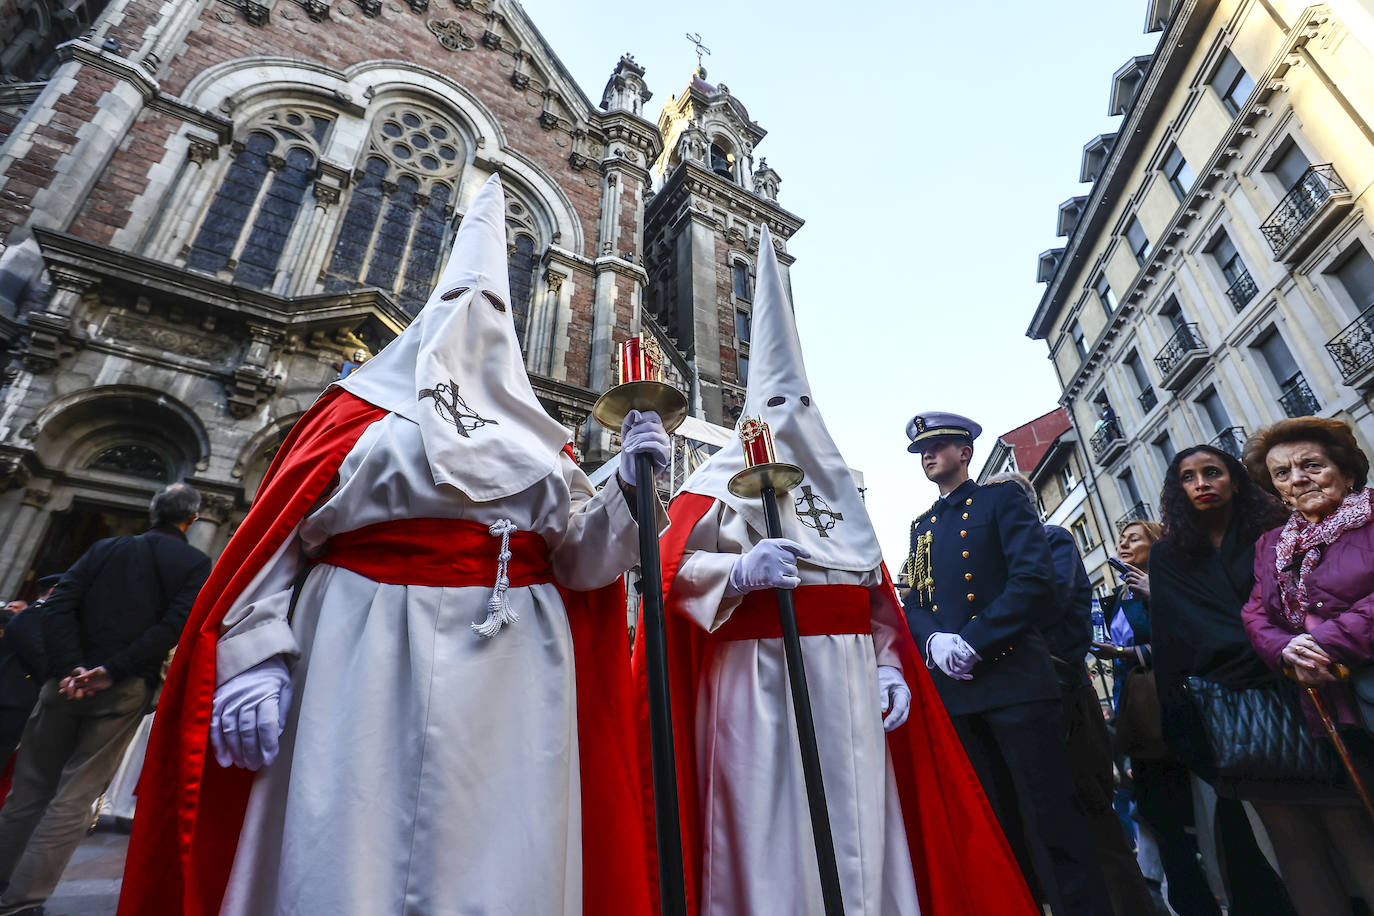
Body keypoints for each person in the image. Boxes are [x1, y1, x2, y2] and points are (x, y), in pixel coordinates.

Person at [118, 175, 666, 916]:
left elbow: (584, 562)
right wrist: (255, 661)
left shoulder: (544, 449)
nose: (478, 320)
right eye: (460, 302)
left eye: (498, 307)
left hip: (517, 668)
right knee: (345, 840)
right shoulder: (357, 413)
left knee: (504, 849)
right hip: (357, 649)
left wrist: (631, 486)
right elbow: (279, 547)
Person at [637, 226, 1035, 916]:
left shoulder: (840, 490)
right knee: (765, 816)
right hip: (755, 675)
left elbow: (875, 596)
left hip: (850, 679)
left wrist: (888, 665)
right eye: (776, 406)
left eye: (803, 405)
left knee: (860, 819)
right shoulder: (711, 478)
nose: (791, 420)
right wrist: (735, 576)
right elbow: (665, 569)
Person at [904, 415, 1111, 916]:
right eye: (922, 450)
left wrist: (974, 640)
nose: (928, 456)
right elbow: (913, 598)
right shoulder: (922, 526)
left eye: (938, 446)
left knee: (1051, 820)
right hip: (959, 692)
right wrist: (932, 641)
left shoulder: (1001, 501)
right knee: (993, 820)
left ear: (964, 452)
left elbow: (1033, 581)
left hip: (1015, 680)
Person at [0, 483, 210, 916]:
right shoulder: (194, 563)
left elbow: (59, 607)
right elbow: (173, 627)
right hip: (121, 689)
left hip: (63, 685)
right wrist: (110, 672)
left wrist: (69, 667)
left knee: (27, 792)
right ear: (191, 519)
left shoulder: (105, 549)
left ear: (154, 512)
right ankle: (21, 902)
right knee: (74, 796)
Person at [988, 472, 1155, 916]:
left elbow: (1047, 602)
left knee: (1094, 816)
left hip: (1064, 695)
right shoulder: (993, 554)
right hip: (1020, 701)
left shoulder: (1051, 540)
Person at [1147, 445, 1297, 916]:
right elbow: (1172, 639)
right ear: (1179, 491)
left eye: (1212, 472)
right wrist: (1182, 726)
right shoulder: (1168, 556)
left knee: (1345, 826)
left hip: (1300, 689)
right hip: (1233, 710)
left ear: (1233, 478)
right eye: (1189, 477)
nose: (1202, 484)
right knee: (1287, 845)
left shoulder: (1273, 534)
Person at [1239, 417, 1374, 913]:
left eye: (1311, 465)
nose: (1297, 478)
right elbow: (1255, 614)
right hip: (1331, 709)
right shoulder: (1271, 544)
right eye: (1281, 473)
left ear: (1346, 470)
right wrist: (1284, 650)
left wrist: (1322, 643)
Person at [1092, 521, 1220, 916]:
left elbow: (1192, 637)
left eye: (1135, 538)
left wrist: (1138, 647)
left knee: (1202, 814)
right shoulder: (1115, 599)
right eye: (1122, 538)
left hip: (1181, 708)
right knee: (1158, 818)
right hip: (1139, 717)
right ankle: (1186, 901)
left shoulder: (1173, 584)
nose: (1124, 544)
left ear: (1157, 544)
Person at [0, 576, 58, 765]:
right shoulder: (33, 615)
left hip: (19, 700)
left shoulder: (47, 617)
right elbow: (38, 656)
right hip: (10, 698)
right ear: (52, 591)